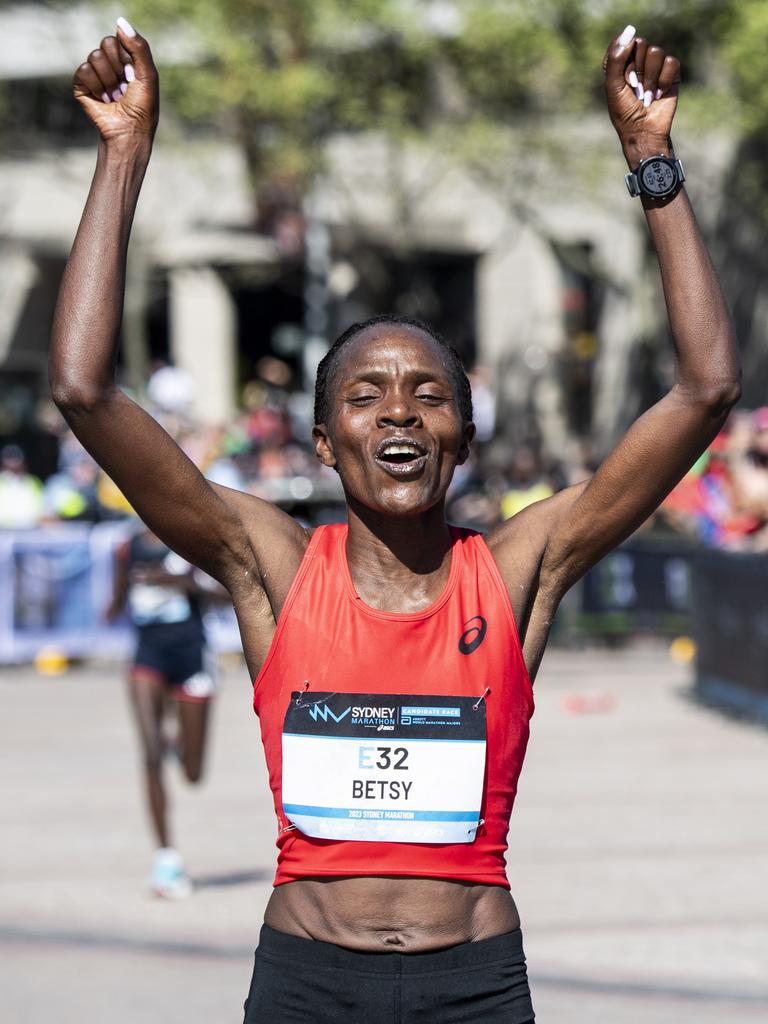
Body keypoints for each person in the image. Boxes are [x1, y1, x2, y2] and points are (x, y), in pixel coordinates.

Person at [50, 17, 739, 1022]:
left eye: (428, 393)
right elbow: (82, 390)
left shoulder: (516, 569)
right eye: (367, 396)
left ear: (462, 433)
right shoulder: (272, 567)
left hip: (474, 985)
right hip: (306, 984)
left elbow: (707, 387)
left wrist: (652, 161)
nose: (402, 411)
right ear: (327, 443)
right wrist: (125, 155)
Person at [106, 523, 221, 898]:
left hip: (192, 655)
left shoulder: (190, 540)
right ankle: (166, 859)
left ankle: (178, 744)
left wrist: (182, 582)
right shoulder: (128, 547)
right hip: (148, 655)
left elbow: (226, 594)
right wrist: (121, 595)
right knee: (149, 753)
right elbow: (115, 603)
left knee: (192, 773)